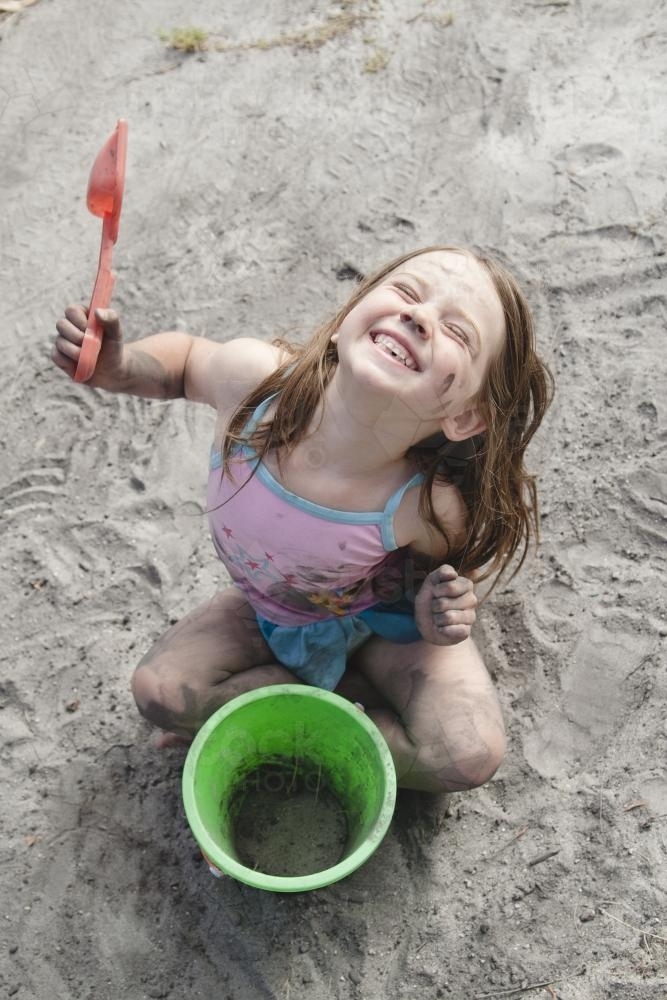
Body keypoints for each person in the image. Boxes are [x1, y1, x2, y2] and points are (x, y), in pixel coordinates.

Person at [53, 245, 553, 793]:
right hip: (275, 616)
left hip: (377, 627)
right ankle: (329, 713)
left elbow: (433, 581)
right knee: (159, 692)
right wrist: (122, 369)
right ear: (346, 320)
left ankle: (292, 718)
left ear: (465, 416)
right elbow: (187, 363)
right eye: (408, 293)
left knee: (468, 754)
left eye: (458, 332)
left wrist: (437, 617)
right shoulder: (254, 386)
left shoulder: (426, 504)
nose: (418, 315)